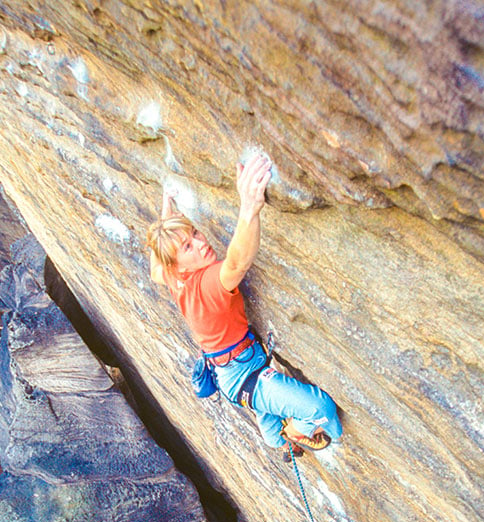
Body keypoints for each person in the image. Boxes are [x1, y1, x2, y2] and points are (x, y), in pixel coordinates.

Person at [146, 152, 342, 462]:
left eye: (195, 233)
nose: (200, 242)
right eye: (187, 247)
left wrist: (167, 216)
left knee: (269, 425)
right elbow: (236, 264)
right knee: (322, 411)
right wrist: (249, 209)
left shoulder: (174, 279)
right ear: (178, 265)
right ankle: (296, 434)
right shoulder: (207, 282)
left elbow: (156, 268)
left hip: (235, 377)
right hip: (246, 374)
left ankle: (277, 439)